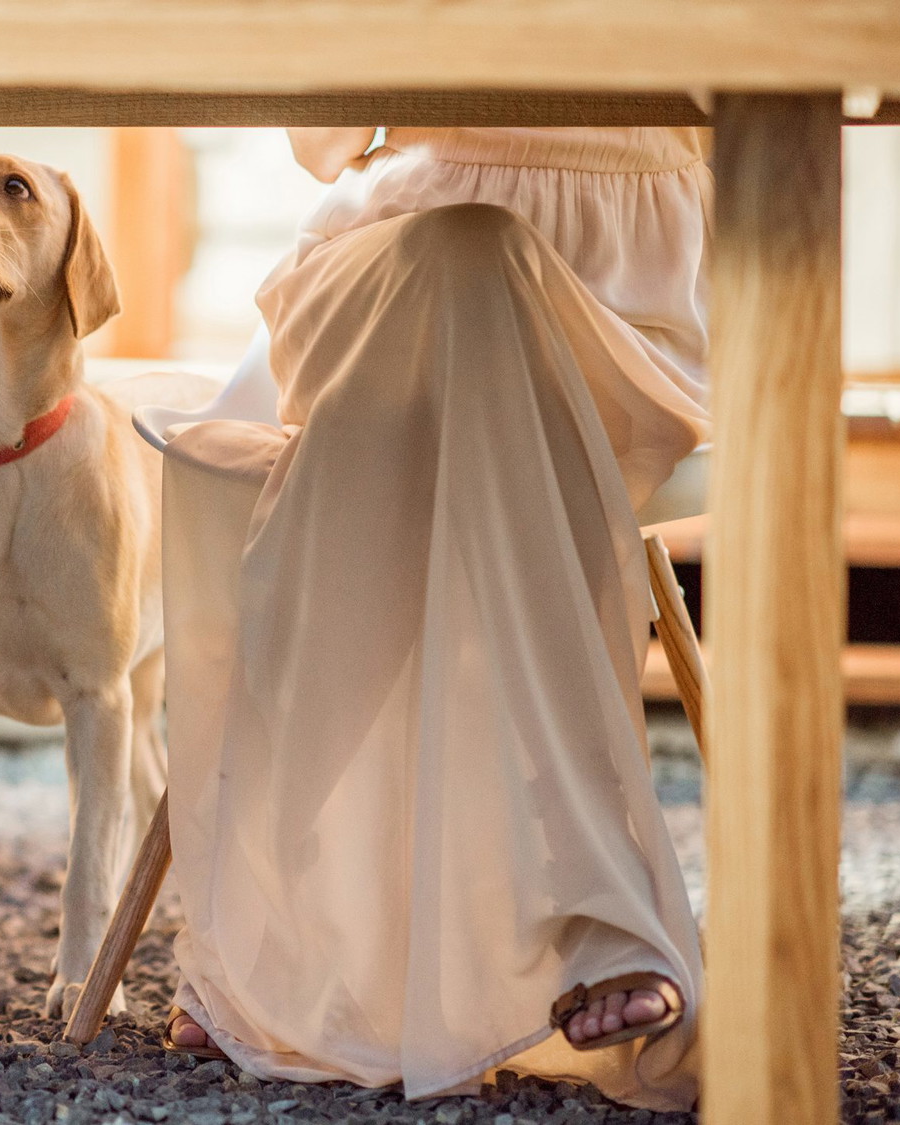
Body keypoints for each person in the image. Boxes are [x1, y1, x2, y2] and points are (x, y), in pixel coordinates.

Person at [155, 127, 711, 1111]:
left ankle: (254, 942)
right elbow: (318, 133)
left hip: (634, 295)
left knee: (475, 282)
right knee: (467, 254)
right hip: (392, 259)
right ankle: (598, 908)